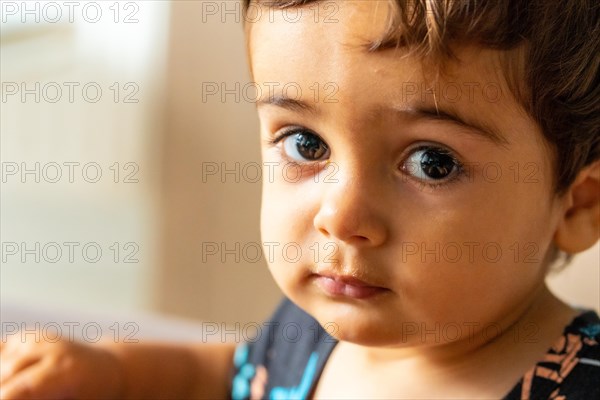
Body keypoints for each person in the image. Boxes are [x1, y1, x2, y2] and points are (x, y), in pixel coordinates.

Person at [1, 1, 599, 398]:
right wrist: (114, 374)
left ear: (577, 205)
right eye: (306, 143)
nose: (340, 217)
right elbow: (220, 378)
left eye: (431, 163)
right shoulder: (319, 330)